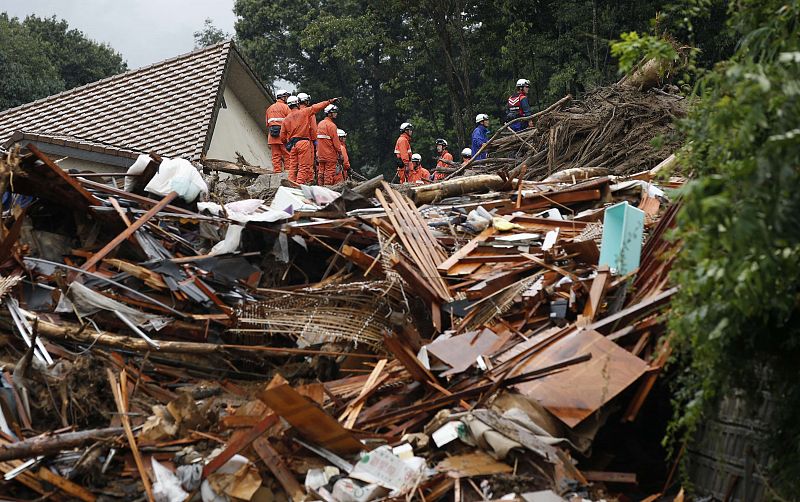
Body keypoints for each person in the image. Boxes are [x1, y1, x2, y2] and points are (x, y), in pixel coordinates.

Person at [281, 94, 339, 184]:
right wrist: (329, 101)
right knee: (304, 167)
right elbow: (317, 107)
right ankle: (298, 185)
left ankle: (290, 184)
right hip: (303, 143)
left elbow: (282, 137)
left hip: (292, 145)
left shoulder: (286, 119)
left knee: (293, 167)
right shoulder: (304, 112)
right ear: (297, 103)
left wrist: (287, 144)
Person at [315, 104, 343, 186]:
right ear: (329, 113)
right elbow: (336, 142)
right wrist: (340, 153)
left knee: (321, 172)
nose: (336, 114)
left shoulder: (320, 124)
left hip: (320, 153)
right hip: (329, 154)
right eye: (334, 112)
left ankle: (320, 187)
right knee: (329, 173)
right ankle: (327, 188)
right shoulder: (332, 126)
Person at [266, 89, 291, 173]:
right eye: (286, 97)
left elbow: (267, 124)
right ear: (283, 97)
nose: (287, 98)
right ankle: (288, 174)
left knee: (275, 156)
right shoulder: (286, 107)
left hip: (272, 137)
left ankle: (277, 174)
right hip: (283, 136)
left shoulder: (269, 108)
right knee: (287, 155)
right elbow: (291, 123)